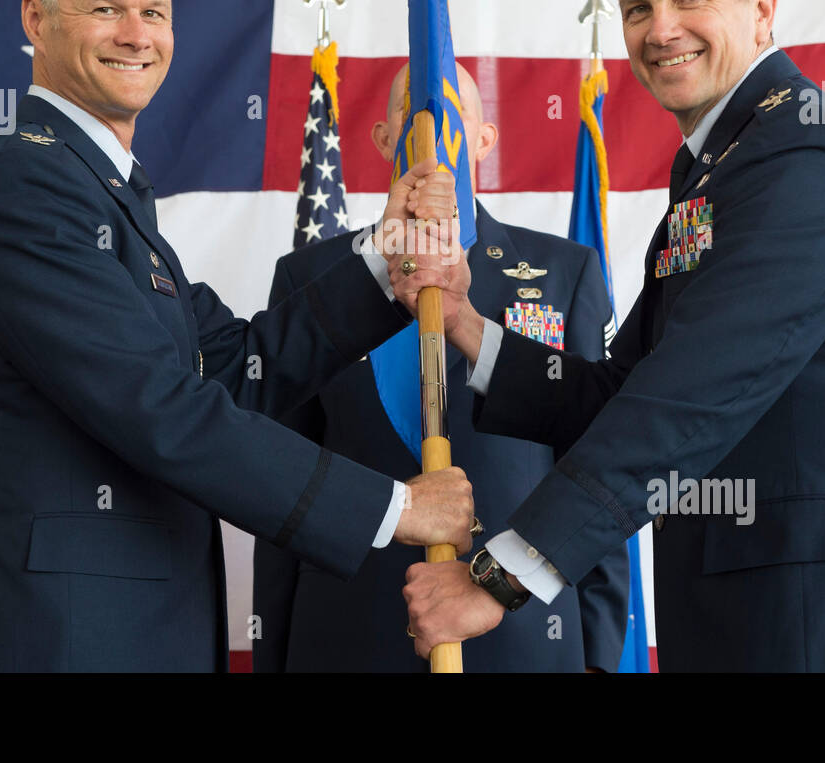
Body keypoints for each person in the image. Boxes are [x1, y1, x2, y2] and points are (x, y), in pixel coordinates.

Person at [400, 0, 825, 672]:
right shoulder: (720, 163)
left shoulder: (810, 157)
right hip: (742, 624)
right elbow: (623, 393)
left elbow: (689, 400)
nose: (659, 28)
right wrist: (466, 322)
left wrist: (500, 576)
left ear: (762, 9)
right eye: (638, 6)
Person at [0, 0, 475, 672]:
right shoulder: (22, 187)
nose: (136, 34)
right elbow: (163, 410)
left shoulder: (102, 191)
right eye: (106, 9)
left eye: (154, 12)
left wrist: (390, 258)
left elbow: (233, 366)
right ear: (35, 19)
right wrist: (399, 508)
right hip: (69, 642)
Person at [252, 64, 630, 672]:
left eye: (453, 114)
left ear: (485, 139)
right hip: (347, 637)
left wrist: (599, 656)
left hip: (522, 636)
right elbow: (280, 482)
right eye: (415, 113)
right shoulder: (310, 278)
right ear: (382, 138)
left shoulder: (565, 273)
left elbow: (600, 465)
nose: (433, 130)